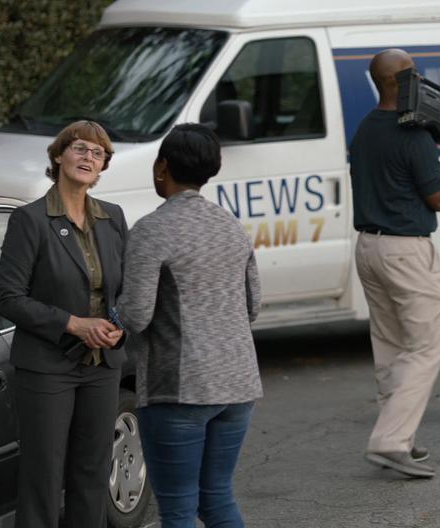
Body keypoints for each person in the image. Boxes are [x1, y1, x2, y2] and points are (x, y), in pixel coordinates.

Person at [350, 49, 440, 478]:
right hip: (405, 250)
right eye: (414, 73)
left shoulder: (366, 128)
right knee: (426, 345)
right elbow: (439, 198)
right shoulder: (412, 135)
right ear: (400, 82)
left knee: (390, 347)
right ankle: (390, 440)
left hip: (369, 248)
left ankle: (400, 438)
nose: (423, 79)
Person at [117, 123, 262, 527]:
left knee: (178, 508)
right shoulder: (232, 226)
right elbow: (254, 306)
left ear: (162, 166)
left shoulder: (151, 230)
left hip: (178, 388)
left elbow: (136, 315)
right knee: (217, 498)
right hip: (238, 383)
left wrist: (107, 313)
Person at [0, 120, 128, 527]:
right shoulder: (30, 220)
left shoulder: (114, 218)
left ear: (104, 165)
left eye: (98, 153)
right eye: (80, 149)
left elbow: (125, 288)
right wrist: (73, 323)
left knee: (91, 477)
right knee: (43, 480)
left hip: (102, 366)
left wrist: (117, 322)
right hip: (47, 368)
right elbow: (7, 297)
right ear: (58, 155)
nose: (89, 158)